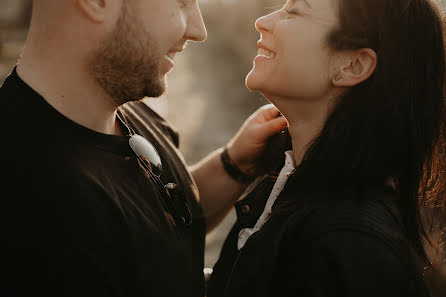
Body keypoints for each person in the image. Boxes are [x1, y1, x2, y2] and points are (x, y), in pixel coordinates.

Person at [0, 0, 288, 296]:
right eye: (182, 3)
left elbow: (153, 222)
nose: (198, 30)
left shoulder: (120, 109)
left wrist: (234, 165)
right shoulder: (39, 217)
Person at [207, 0, 446, 296]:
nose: (262, 21)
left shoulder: (349, 243)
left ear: (352, 65)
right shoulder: (288, 184)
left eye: (295, 11)